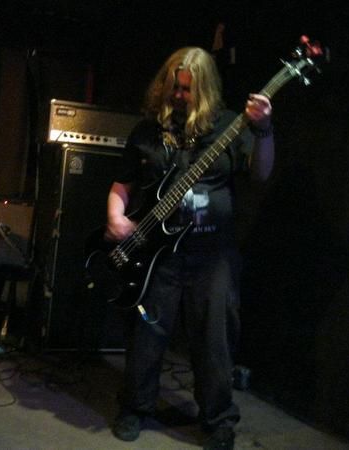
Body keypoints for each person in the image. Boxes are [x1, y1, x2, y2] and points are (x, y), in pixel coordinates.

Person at [106, 47, 274, 449]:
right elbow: (122, 183)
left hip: (213, 253)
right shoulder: (148, 131)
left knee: (215, 340)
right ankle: (135, 407)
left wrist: (265, 130)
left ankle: (218, 420)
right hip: (158, 255)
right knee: (146, 334)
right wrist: (115, 216)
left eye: (187, 90)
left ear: (205, 89)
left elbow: (261, 173)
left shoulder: (229, 125)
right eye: (175, 88)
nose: (179, 96)